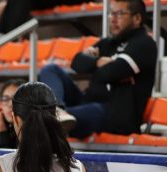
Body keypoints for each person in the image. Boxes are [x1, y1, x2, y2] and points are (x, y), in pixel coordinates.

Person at [39, 0, 157, 138]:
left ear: (137, 18)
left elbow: (112, 72)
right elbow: (77, 62)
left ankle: (51, 118)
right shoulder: (109, 43)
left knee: (41, 121)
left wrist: (95, 65)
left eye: (119, 13)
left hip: (116, 116)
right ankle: (57, 110)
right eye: (111, 13)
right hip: (89, 104)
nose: (113, 19)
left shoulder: (144, 43)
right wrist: (100, 62)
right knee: (50, 69)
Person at [0, 79, 24, 149]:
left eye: (16, 98)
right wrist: (2, 132)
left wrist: (2, 133)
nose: (10, 104)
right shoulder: (7, 127)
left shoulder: (34, 131)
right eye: (5, 98)